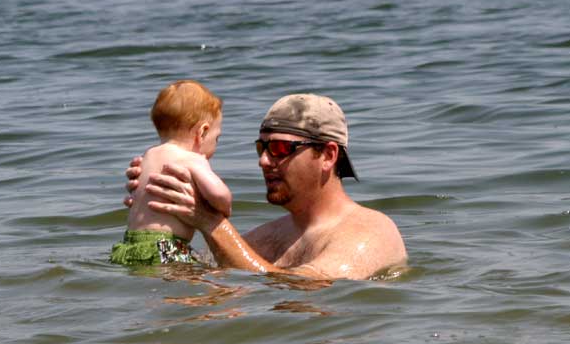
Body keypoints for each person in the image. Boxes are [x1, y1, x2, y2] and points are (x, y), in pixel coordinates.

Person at [125, 93, 407, 280]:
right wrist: (155, 208)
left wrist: (210, 221)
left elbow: (306, 290)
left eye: (281, 148)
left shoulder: (369, 233)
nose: (263, 160)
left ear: (329, 155)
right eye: (262, 147)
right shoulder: (264, 237)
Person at [111, 80, 232, 265]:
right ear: (202, 132)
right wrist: (225, 207)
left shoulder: (149, 156)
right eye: (217, 138)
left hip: (130, 245)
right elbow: (218, 193)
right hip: (166, 247)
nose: (216, 145)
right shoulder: (193, 158)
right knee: (204, 285)